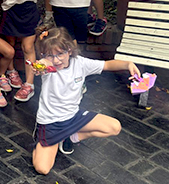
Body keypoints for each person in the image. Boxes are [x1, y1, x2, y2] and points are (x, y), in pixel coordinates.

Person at [31, 27, 139, 175]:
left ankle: (71, 137)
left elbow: (107, 65)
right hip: (51, 123)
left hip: (73, 117)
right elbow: (42, 65)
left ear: (69, 50)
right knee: (42, 169)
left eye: (60, 54)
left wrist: (128, 64)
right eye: (50, 55)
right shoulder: (48, 67)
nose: (56, 60)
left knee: (114, 127)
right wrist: (40, 65)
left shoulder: (80, 63)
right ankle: (43, 140)